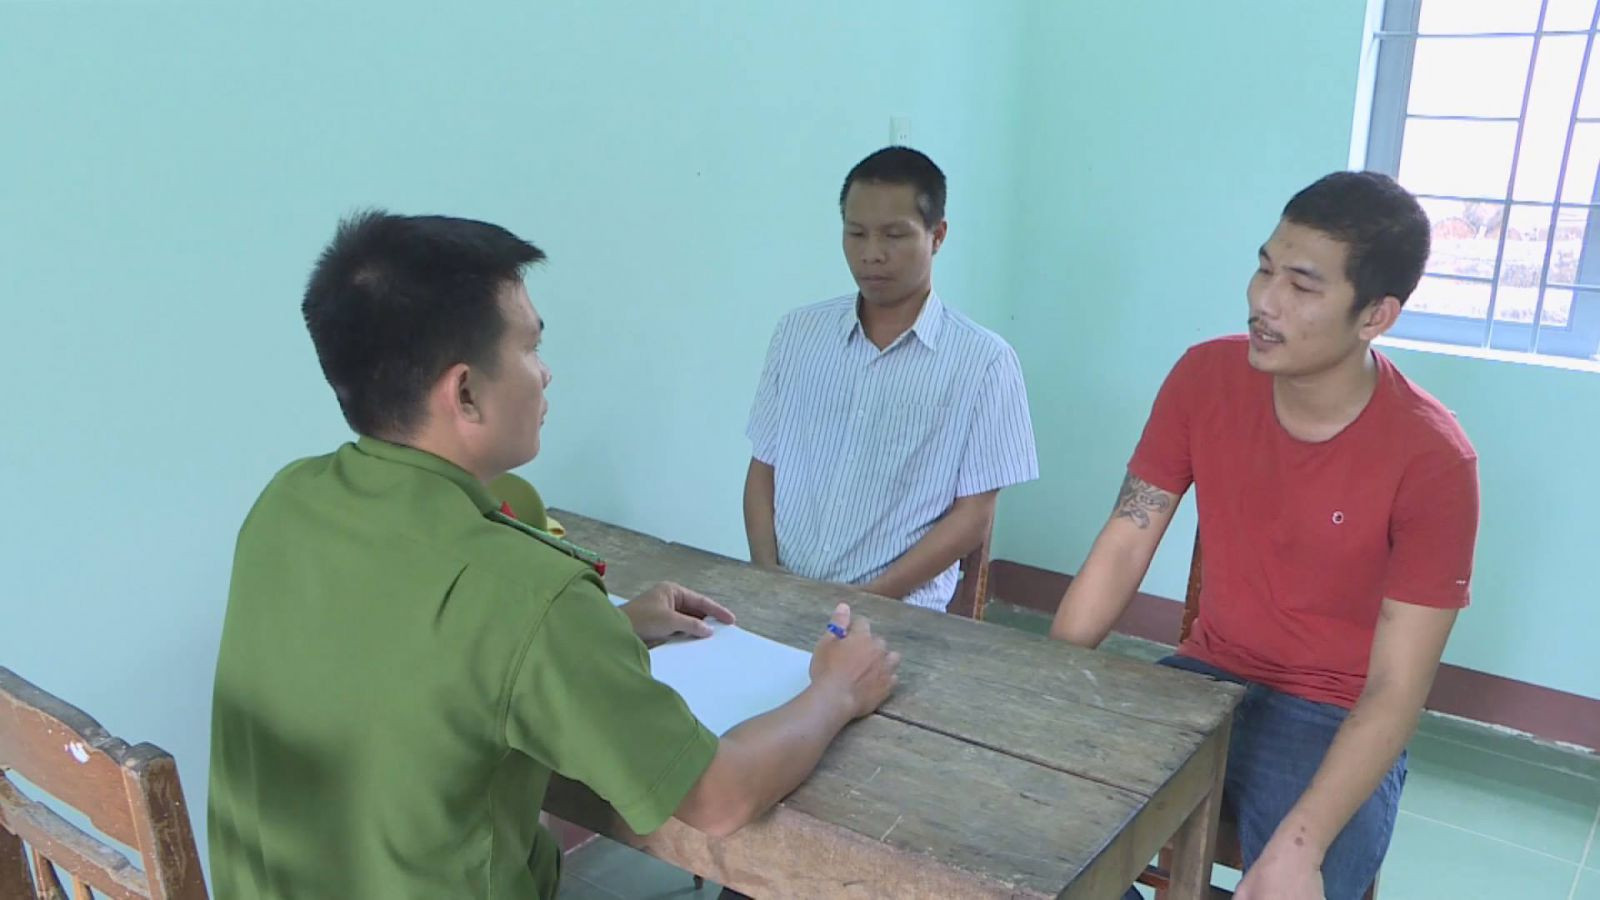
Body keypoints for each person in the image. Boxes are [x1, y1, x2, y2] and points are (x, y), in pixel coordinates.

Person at [208, 211, 901, 899]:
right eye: (531, 348)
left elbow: (401, 648)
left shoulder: (287, 502)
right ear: (466, 392)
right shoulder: (529, 592)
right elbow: (718, 798)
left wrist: (608, 631)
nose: (545, 375)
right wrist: (837, 690)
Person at [1047, 173, 1479, 900]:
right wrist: (1044, 682)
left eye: (1301, 286)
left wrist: (1301, 845)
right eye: (1264, 269)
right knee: (1032, 812)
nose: (1264, 302)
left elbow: (1395, 690)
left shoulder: (1434, 459)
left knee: (1299, 880)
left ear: (1376, 315)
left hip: (1334, 715)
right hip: (1202, 680)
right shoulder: (1204, 376)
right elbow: (1126, 539)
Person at [744, 147, 1039, 612]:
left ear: (937, 236)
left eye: (894, 235)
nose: (871, 254)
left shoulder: (985, 363)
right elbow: (763, 469)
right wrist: (768, 577)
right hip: (781, 596)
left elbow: (973, 518)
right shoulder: (797, 334)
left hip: (900, 615)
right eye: (856, 233)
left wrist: (867, 602)